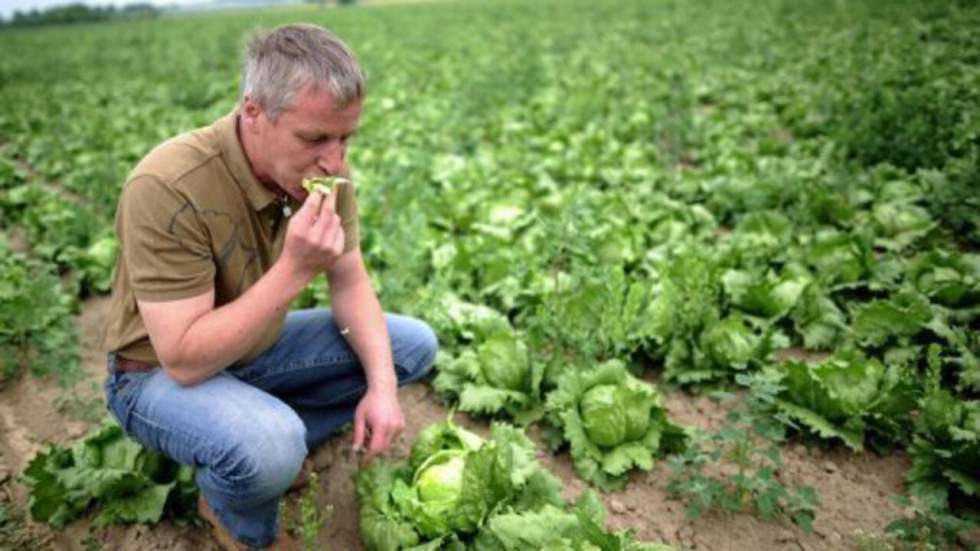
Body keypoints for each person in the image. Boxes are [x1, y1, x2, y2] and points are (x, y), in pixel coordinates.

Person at [100, 23, 438, 549]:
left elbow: (350, 281)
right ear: (253, 112)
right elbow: (184, 359)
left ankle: (258, 449)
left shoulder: (326, 173)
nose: (334, 160)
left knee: (409, 349)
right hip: (153, 376)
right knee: (267, 445)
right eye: (315, 137)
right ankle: (240, 516)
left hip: (253, 349)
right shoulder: (167, 186)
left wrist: (383, 389)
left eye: (345, 137)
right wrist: (295, 269)